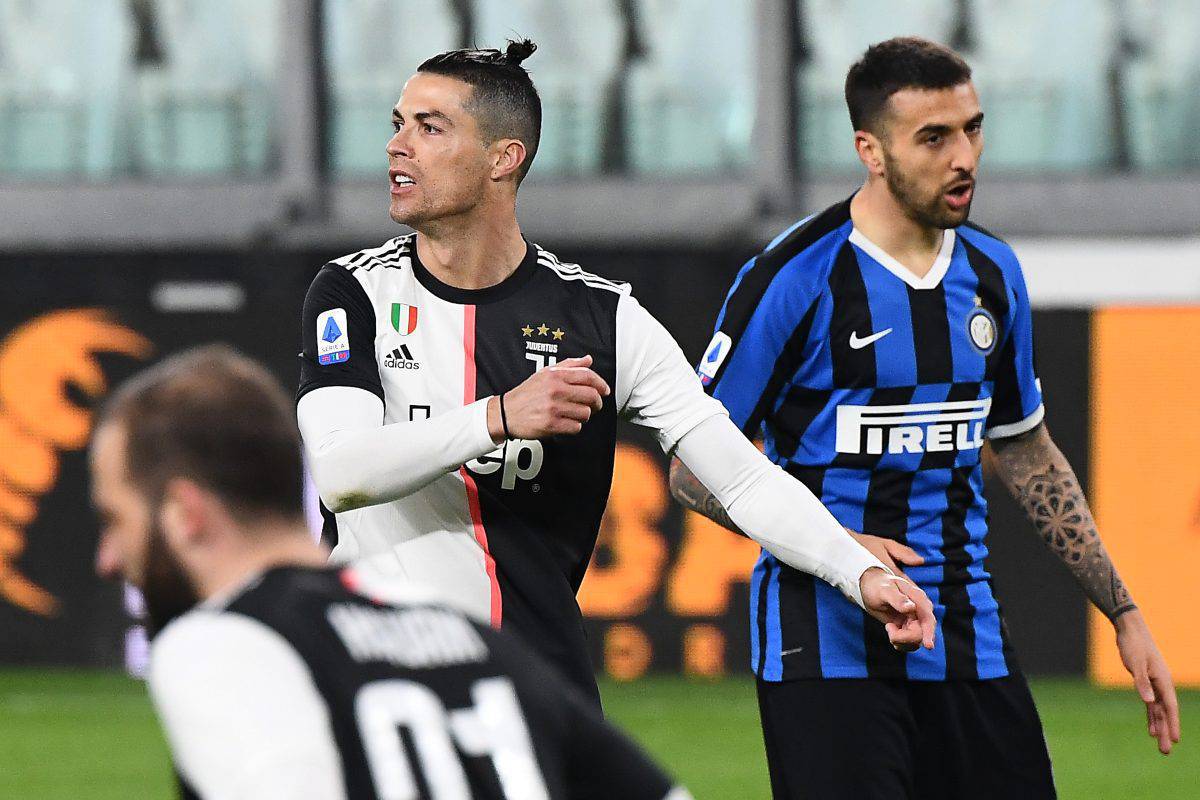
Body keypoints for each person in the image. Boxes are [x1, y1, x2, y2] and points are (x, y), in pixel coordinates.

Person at [296, 40, 935, 706]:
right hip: (376, 687)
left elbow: (740, 476)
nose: (399, 145)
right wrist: (501, 416)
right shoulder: (353, 294)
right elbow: (342, 474)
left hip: (536, 688)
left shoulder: (603, 319)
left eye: (429, 128)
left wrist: (858, 572)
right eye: (398, 124)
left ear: (502, 159)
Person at [669, 37, 1181, 799]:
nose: (964, 156)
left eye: (973, 129)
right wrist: (834, 543)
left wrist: (1124, 610)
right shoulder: (793, 278)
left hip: (966, 638)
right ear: (869, 150)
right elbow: (692, 467)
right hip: (826, 646)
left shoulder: (992, 273)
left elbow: (1027, 451)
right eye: (934, 138)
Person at [90, 345, 696, 800]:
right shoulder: (465, 637)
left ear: (185, 515)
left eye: (116, 518)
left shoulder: (219, 643)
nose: (108, 558)